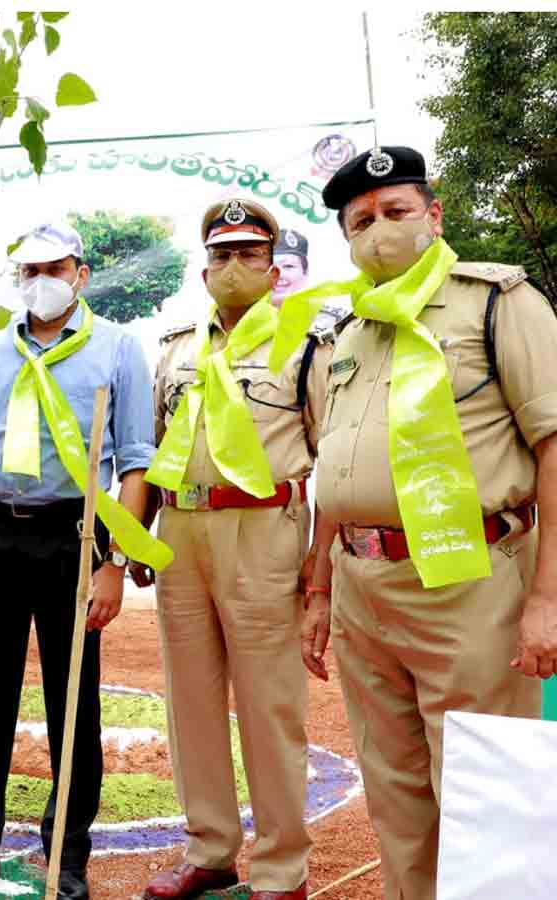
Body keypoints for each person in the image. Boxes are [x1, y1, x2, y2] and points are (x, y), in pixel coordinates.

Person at [293, 146, 557, 900]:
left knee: (486, 792)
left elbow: (553, 443)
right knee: (397, 793)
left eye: (396, 212)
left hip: (468, 583)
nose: (379, 231)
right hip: (362, 586)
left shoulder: (497, 302)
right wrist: (318, 588)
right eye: (361, 222)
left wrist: (548, 596)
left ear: (435, 215)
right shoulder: (351, 332)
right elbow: (335, 472)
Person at [0, 221, 165, 900]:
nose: (41, 283)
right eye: (28, 272)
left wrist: (113, 561)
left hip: (74, 538)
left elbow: (137, 461)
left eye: (55, 269)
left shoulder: (118, 349)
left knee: (73, 702)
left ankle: (67, 856)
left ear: (81, 274)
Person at [136, 200, 331, 900]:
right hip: (181, 531)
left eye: (250, 254)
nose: (233, 266)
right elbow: (157, 446)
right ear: (203, 268)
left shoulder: (306, 343)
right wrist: (141, 535)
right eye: (221, 255)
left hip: (264, 531)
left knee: (269, 703)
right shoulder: (177, 348)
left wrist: (320, 567)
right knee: (188, 700)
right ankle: (209, 848)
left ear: (274, 269)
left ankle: (282, 867)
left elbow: (329, 456)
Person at [272, 229, 350, 330]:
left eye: (288, 266)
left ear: (305, 271)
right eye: (270, 268)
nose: (279, 274)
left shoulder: (334, 322)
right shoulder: (246, 320)